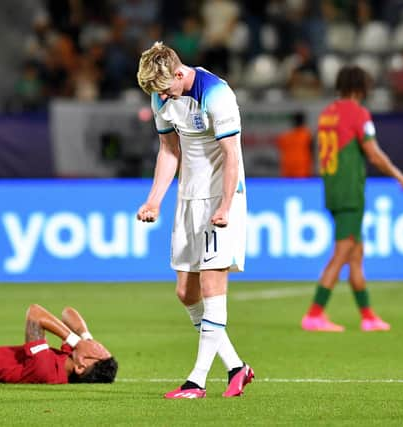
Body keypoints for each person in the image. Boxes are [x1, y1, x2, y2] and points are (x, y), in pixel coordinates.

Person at [136, 41, 253, 399]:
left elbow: (231, 154)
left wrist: (225, 206)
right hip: (188, 199)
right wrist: (154, 200)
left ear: (179, 72)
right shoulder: (161, 96)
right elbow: (169, 151)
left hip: (220, 199)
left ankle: (196, 381)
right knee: (186, 292)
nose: (163, 98)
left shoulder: (216, 93)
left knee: (211, 286)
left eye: (165, 89)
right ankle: (236, 367)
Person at [301, 65, 403, 332]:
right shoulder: (358, 113)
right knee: (341, 255)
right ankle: (315, 314)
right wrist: (398, 174)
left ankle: (368, 316)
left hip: (333, 188)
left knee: (356, 255)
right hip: (350, 192)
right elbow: (372, 153)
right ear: (362, 87)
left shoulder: (328, 114)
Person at [276, 111, 314, 178]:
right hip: (302, 167)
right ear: (303, 121)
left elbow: (280, 148)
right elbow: (312, 151)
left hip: (288, 167)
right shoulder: (307, 135)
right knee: (302, 187)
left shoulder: (285, 136)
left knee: (288, 187)